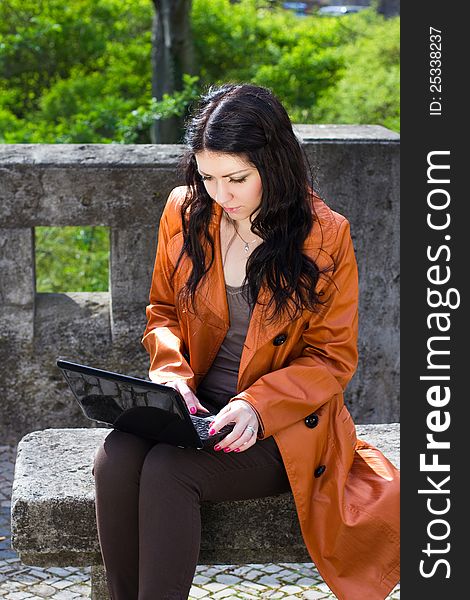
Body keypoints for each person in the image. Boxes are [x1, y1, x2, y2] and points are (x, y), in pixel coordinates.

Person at [93, 82, 400, 600]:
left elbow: (332, 358)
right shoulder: (186, 210)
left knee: (170, 470)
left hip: (279, 423)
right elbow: (162, 312)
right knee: (117, 455)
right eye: (208, 176)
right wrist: (172, 377)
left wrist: (257, 406)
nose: (222, 195)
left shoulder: (325, 235)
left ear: (274, 165)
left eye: (237, 178)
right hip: (198, 406)